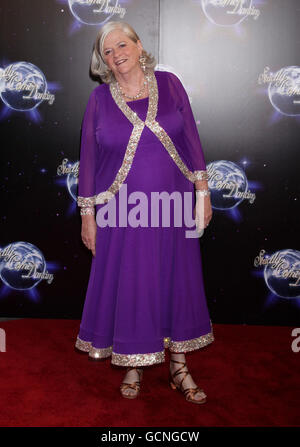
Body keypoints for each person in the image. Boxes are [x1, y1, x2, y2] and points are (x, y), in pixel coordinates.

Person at [75, 21, 214, 404]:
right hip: (123, 212)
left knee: (176, 279)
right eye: (107, 50)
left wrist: (203, 193)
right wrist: (89, 216)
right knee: (132, 283)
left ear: (138, 46)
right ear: (102, 60)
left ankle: (179, 366)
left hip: (172, 205)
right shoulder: (100, 100)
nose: (116, 54)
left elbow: (191, 138)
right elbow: (88, 161)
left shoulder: (169, 84)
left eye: (122, 44)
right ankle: (132, 360)